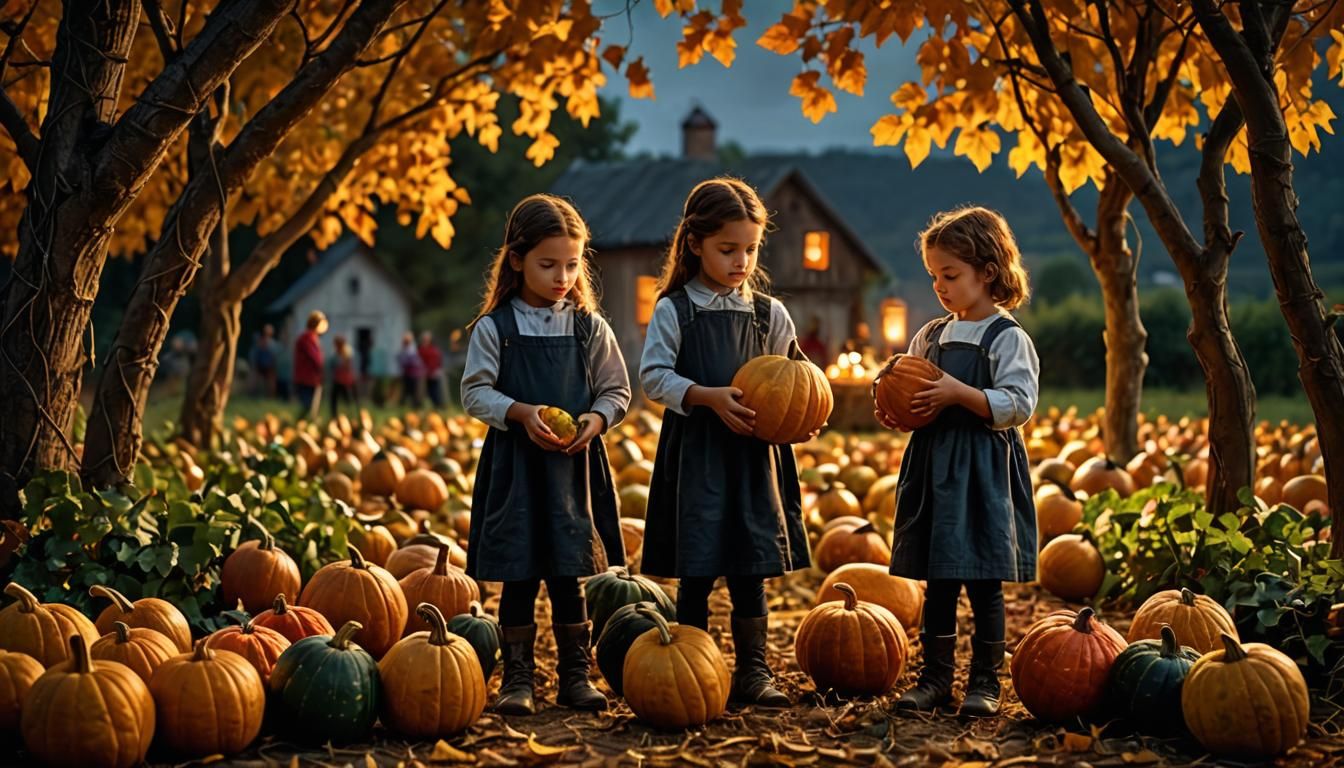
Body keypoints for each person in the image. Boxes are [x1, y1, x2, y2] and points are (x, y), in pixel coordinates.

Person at [638, 177, 814, 708]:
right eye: (727, 249)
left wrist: (804, 416)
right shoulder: (675, 310)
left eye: (750, 249)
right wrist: (706, 397)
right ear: (695, 244)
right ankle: (693, 666)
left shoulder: (769, 314)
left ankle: (753, 672)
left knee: (749, 565)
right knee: (697, 569)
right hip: (698, 457)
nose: (742, 261)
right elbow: (653, 378)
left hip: (754, 459)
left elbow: (797, 378)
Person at [461, 193, 631, 715]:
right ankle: (518, 678)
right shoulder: (496, 329)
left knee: (568, 571)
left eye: (572, 263)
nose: (563, 275)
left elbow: (617, 391)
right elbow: (475, 392)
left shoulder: (588, 327)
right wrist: (518, 412)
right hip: (517, 467)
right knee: (519, 571)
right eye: (548, 263)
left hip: (573, 468)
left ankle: (575, 676)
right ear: (516, 260)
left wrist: (596, 420)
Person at [875, 205, 1039, 717]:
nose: (940, 287)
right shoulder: (931, 335)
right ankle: (936, 679)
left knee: (985, 583)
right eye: (934, 277)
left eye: (951, 275)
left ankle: (985, 682)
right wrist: (898, 407)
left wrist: (959, 393)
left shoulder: (1006, 337)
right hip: (934, 467)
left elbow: (1019, 404)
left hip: (982, 472)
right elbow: (911, 389)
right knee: (939, 580)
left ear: (987, 272)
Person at [293, 310, 328, 420]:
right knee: (308, 405)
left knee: (313, 407)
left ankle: (305, 424)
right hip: (307, 377)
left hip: (313, 378)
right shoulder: (307, 338)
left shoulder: (312, 338)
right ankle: (299, 423)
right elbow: (316, 358)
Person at [329, 334, 359, 418]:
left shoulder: (346, 352)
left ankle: (351, 415)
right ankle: (335, 415)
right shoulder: (336, 352)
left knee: (347, 398)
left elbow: (347, 366)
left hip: (345, 379)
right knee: (335, 398)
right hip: (338, 379)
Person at [397, 332, 425, 408]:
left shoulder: (412, 349)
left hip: (414, 374)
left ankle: (415, 406)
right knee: (407, 391)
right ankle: (405, 406)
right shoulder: (405, 349)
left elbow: (411, 361)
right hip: (408, 373)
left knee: (414, 392)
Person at [249, 324, 278, 397]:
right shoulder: (260, 341)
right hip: (261, 364)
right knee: (256, 379)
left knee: (270, 381)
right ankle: (253, 394)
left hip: (267, 365)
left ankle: (270, 395)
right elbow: (254, 353)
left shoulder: (271, 343)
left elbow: (275, 355)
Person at [419, 330, 445, 407]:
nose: (425, 340)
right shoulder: (421, 349)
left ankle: (438, 405)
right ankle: (423, 405)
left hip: (433, 373)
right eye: (424, 338)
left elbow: (437, 361)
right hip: (424, 374)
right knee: (425, 391)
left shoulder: (434, 349)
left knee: (435, 390)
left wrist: (432, 370)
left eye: (427, 338)